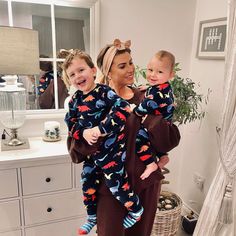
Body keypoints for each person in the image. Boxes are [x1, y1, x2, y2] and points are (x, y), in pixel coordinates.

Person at [63, 49, 144, 235]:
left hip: (112, 152)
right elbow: (71, 123)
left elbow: (123, 108)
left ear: (93, 70)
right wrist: (83, 133)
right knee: (86, 182)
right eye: (72, 75)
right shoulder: (74, 101)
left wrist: (100, 129)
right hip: (93, 156)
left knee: (117, 186)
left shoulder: (104, 92)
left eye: (81, 70)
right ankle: (91, 216)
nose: (78, 76)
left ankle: (136, 209)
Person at [132, 50, 175, 180]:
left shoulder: (155, 94)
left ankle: (150, 164)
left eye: (159, 72)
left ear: (171, 75)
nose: (152, 75)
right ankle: (163, 156)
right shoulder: (164, 86)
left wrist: (132, 109)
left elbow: (141, 110)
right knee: (154, 142)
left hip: (157, 128)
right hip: (164, 125)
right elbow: (157, 91)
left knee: (138, 139)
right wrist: (149, 87)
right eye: (150, 69)